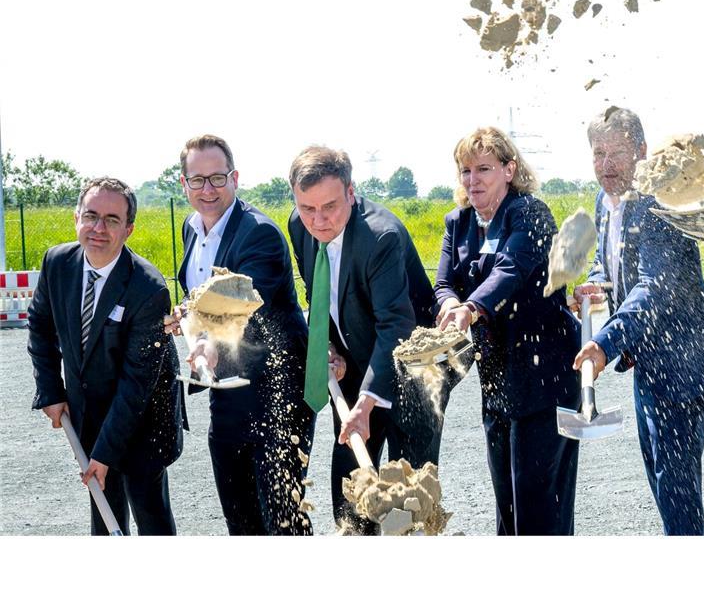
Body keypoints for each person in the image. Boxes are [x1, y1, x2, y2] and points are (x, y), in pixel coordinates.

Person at [571, 107, 704, 535]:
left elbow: (655, 286)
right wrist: (595, 284)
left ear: (640, 150)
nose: (606, 165)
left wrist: (604, 342)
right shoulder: (605, 200)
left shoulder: (660, 201)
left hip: (684, 361)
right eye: (598, 154)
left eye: (616, 152)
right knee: (659, 471)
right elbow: (609, 260)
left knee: (676, 485)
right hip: (649, 360)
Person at [164, 134, 314, 535]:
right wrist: (186, 313)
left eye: (217, 178)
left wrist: (206, 341)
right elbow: (201, 293)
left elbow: (241, 301)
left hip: (276, 392)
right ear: (184, 184)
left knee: (283, 519)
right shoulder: (191, 229)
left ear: (235, 178)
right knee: (240, 517)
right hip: (226, 389)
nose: (208, 189)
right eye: (197, 180)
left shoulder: (258, 233)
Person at [434, 127, 580, 535]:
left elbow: (511, 269)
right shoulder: (458, 222)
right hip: (497, 379)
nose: (472, 180)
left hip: (545, 376)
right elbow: (444, 283)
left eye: (484, 169)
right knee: (508, 508)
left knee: (539, 509)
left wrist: (472, 307)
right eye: (465, 171)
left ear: (509, 169)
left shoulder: (529, 212)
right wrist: (451, 304)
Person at [286, 145, 439, 532]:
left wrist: (367, 403)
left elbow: (396, 327)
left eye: (330, 206)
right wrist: (332, 346)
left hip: (413, 373)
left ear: (351, 192)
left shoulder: (380, 237)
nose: (318, 221)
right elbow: (319, 291)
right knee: (351, 495)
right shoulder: (297, 226)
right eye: (308, 208)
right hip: (357, 361)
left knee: (408, 500)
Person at [27, 177, 184, 535]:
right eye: (91, 215)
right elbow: (40, 324)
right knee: (104, 512)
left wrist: (105, 455)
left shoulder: (149, 288)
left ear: (128, 229)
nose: (99, 228)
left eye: (112, 219)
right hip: (90, 408)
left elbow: (136, 383)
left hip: (144, 415)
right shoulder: (57, 263)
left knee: (150, 511)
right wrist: (51, 391)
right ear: (76, 218)